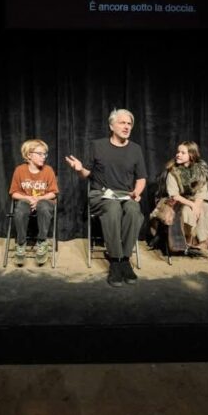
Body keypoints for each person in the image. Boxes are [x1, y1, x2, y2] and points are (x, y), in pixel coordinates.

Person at [66, 108, 147, 287]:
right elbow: (87, 174)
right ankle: (116, 262)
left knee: (134, 209)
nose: (126, 126)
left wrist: (137, 192)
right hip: (100, 195)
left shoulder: (135, 149)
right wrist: (79, 168)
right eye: (122, 122)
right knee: (112, 208)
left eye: (129, 123)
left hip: (125, 196)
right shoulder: (98, 145)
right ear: (112, 125)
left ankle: (125, 259)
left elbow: (141, 178)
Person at [151, 141, 208, 257]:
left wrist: (197, 205)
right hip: (177, 200)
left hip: (196, 199)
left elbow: (202, 192)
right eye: (178, 152)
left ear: (191, 155)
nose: (178, 155)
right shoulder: (173, 172)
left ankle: (203, 242)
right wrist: (192, 206)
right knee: (186, 211)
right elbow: (174, 194)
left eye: (182, 152)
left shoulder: (201, 170)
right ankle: (187, 242)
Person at [8, 139, 59, 265]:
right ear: (29, 155)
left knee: (43, 206)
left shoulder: (48, 170)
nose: (44, 157)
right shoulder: (20, 170)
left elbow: (53, 192)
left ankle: (42, 241)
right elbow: (14, 193)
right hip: (27, 201)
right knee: (20, 208)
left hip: (44, 201)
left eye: (45, 154)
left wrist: (39, 199)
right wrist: (29, 199)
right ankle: (21, 243)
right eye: (40, 154)